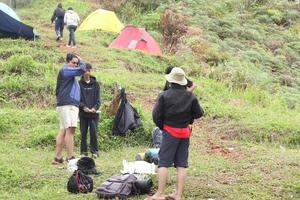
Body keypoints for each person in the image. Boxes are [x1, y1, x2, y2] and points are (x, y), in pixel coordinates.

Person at [147, 67, 204, 200]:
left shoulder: (164, 95)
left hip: (170, 132)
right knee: (182, 164)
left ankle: (160, 194)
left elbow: (156, 115)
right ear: (183, 81)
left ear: (171, 81)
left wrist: (163, 127)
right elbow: (199, 113)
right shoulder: (191, 96)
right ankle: (178, 195)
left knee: (164, 163)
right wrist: (188, 119)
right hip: (185, 133)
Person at [52, 53, 86, 164]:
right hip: (68, 105)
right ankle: (70, 157)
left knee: (63, 131)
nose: (76, 65)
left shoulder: (69, 75)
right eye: (74, 63)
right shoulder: (66, 70)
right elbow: (83, 69)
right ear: (68, 62)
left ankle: (57, 157)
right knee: (71, 130)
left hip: (64, 104)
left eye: (77, 63)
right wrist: (81, 60)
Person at [79, 63, 101, 158]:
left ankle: (94, 151)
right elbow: (77, 99)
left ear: (90, 71)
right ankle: (83, 152)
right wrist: (84, 107)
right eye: (84, 71)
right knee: (83, 133)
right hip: (83, 113)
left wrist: (94, 108)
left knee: (93, 132)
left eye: (88, 71)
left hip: (93, 114)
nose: (86, 73)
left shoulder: (96, 84)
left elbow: (98, 100)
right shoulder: (78, 84)